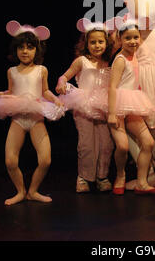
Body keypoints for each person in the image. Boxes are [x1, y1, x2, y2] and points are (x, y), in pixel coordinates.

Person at [0, 21, 64, 205]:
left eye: (29, 48)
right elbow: (11, 91)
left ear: (36, 50)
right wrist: (1, 95)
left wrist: (54, 98)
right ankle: (20, 191)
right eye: (21, 47)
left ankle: (33, 191)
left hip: (36, 118)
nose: (25, 51)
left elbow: (45, 91)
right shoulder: (11, 71)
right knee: (10, 161)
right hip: (18, 119)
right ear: (15, 50)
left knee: (45, 160)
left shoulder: (41, 70)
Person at [56, 20, 114, 193]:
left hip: (102, 104)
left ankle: (102, 176)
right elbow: (64, 76)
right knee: (87, 144)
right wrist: (61, 83)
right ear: (86, 44)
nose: (97, 45)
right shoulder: (81, 61)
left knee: (106, 143)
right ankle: (84, 177)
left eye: (100, 41)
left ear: (106, 43)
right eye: (93, 42)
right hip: (83, 103)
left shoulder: (108, 61)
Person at [107, 20, 155, 195]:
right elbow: (113, 86)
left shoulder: (135, 56)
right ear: (120, 39)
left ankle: (142, 182)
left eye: (135, 37)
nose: (133, 41)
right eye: (128, 38)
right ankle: (121, 175)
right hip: (117, 104)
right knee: (123, 146)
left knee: (148, 142)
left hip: (132, 103)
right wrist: (111, 112)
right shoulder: (120, 59)